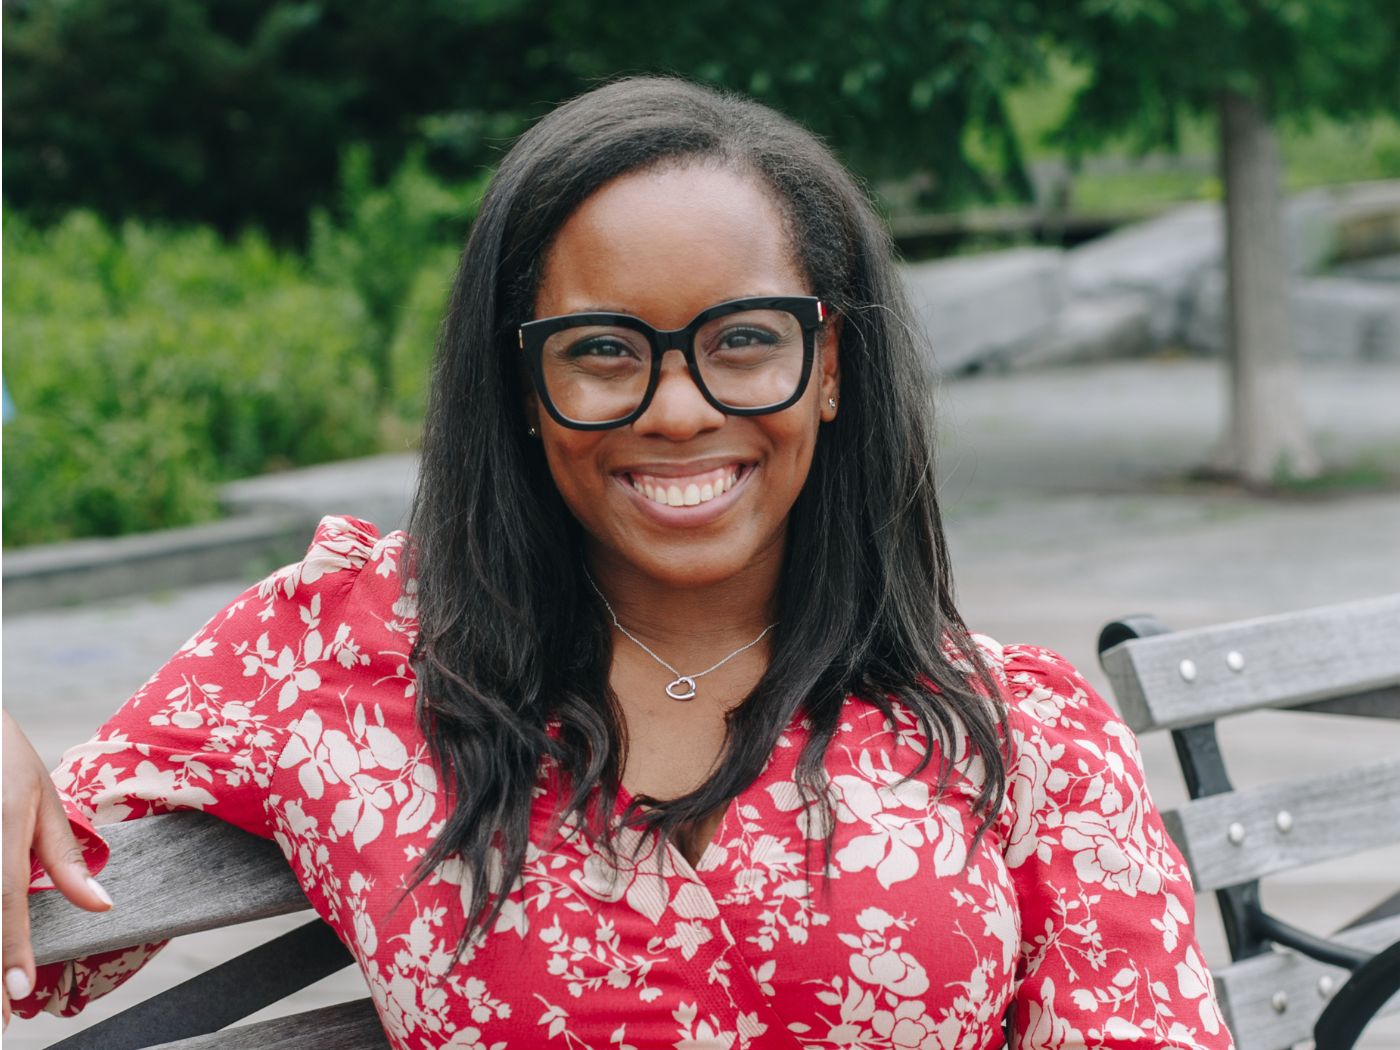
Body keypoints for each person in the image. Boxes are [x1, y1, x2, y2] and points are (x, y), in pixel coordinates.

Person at [2, 77, 1235, 1048]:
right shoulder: (333, 654)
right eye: (602, 351)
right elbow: (44, 955)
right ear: (520, 384)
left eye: (743, 340)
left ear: (832, 366)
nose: (679, 408)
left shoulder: (1015, 734)